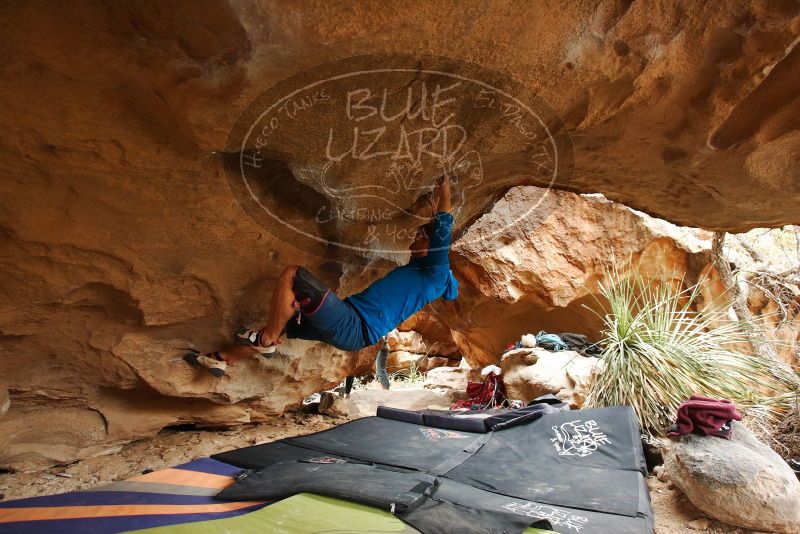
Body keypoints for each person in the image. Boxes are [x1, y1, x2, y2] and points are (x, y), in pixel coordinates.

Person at [184, 176, 458, 377]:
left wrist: (444, 193)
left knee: (293, 275)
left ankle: (265, 341)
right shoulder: (423, 274)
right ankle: (222, 358)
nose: (412, 241)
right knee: (283, 324)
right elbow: (435, 234)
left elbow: (442, 235)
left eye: (419, 238)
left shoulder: (435, 273)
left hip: (354, 324)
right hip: (351, 322)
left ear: (430, 247)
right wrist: (431, 211)